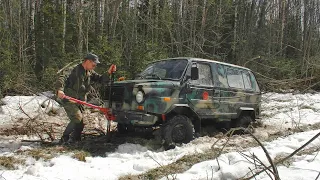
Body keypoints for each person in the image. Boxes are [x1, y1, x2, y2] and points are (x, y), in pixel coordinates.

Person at [56, 53, 108, 144]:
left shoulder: (90, 72)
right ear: (88, 61)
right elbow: (62, 78)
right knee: (77, 118)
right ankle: (64, 138)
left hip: (80, 101)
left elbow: (100, 79)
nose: (94, 66)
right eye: (93, 64)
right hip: (70, 99)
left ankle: (75, 140)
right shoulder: (74, 69)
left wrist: (109, 73)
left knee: (81, 122)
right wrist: (60, 90)